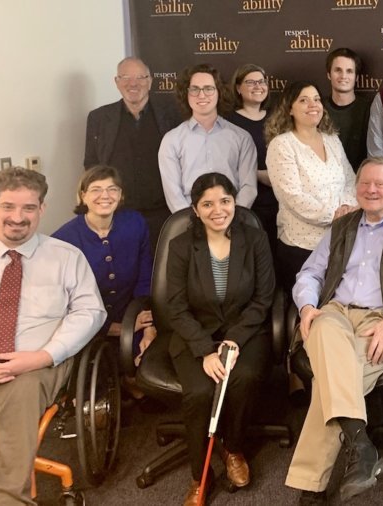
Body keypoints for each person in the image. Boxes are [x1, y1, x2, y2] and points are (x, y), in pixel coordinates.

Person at [285, 158, 383, 505]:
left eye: (380, 184)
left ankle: (311, 488)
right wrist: (308, 306)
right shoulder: (342, 225)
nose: (371, 190)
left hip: (381, 320)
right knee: (325, 330)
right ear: (355, 189)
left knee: (332, 380)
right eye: (364, 184)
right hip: (335, 313)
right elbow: (310, 273)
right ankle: (361, 443)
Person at [0, 167, 105, 504]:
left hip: (38, 366)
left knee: (20, 393)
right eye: (9, 206)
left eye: (29, 208)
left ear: (42, 209)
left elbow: (90, 312)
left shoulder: (65, 257)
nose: (18, 217)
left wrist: (41, 356)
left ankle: (9, 498)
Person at [166, 173, 275, 505]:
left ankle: (233, 448)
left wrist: (234, 339)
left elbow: (264, 298)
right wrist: (204, 351)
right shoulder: (181, 245)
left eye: (225, 201)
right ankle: (200, 475)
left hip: (245, 330)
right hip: (194, 333)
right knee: (199, 392)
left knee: (244, 377)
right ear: (196, 210)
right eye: (207, 204)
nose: (218, 210)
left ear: (235, 202)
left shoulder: (255, 239)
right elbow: (176, 305)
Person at [52, 166, 155, 364]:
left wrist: (149, 326)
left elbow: (145, 278)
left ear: (120, 195)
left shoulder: (135, 223)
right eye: (96, 189)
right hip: (88, 326)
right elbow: (66, 303)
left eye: (112, 189)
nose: (105, 195)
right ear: (83, 196)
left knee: (146, 364)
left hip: (134, 315)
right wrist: (119, 328)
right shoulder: (63, 240)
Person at [265, 81, 357, 294]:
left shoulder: (332, 140)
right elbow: (293, 197)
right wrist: (336, 214)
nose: (313, 105)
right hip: (302, 247)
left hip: (340, 241)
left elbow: (351, 181)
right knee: (309, 310)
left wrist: (347, 210)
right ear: (289, 108)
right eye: (303, 100)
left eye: (316, 99)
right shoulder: (282, 145)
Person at [84, 56, 181, 249]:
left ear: (150, 81)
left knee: (161, 272)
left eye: (140, 77)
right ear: (117, 82)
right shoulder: (99, 118)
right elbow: (91, 165)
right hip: (117, 214)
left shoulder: (172, 115)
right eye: (126, 77)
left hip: (163, 213)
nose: (133, 84)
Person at [158, 63, 257, 212]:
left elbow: (249, 187)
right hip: (188, 223)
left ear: (219, 92)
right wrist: (191, 220)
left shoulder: (241, 137)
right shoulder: (171, 140)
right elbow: (173, 194)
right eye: (195, 89)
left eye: (209, 89)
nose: (202, 95)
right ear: (186, 94)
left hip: (233, 220)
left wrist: (232, 217)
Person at [226, 63, 280, 259]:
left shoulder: (278, 118)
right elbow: (228, 163)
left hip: (279, 203)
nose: (258, 86)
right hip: (247, 204)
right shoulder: (229, 123)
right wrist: (257, 174)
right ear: (238, 88)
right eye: (250, 82)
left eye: (262, 81)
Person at [324, 48, 373, 171]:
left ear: (356, 77)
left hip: (360, 182)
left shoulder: (370, 108)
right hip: (324, 182)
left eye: (349, 71)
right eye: (338, 70)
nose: (343, 76)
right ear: (329, 74)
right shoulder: (317, 108)